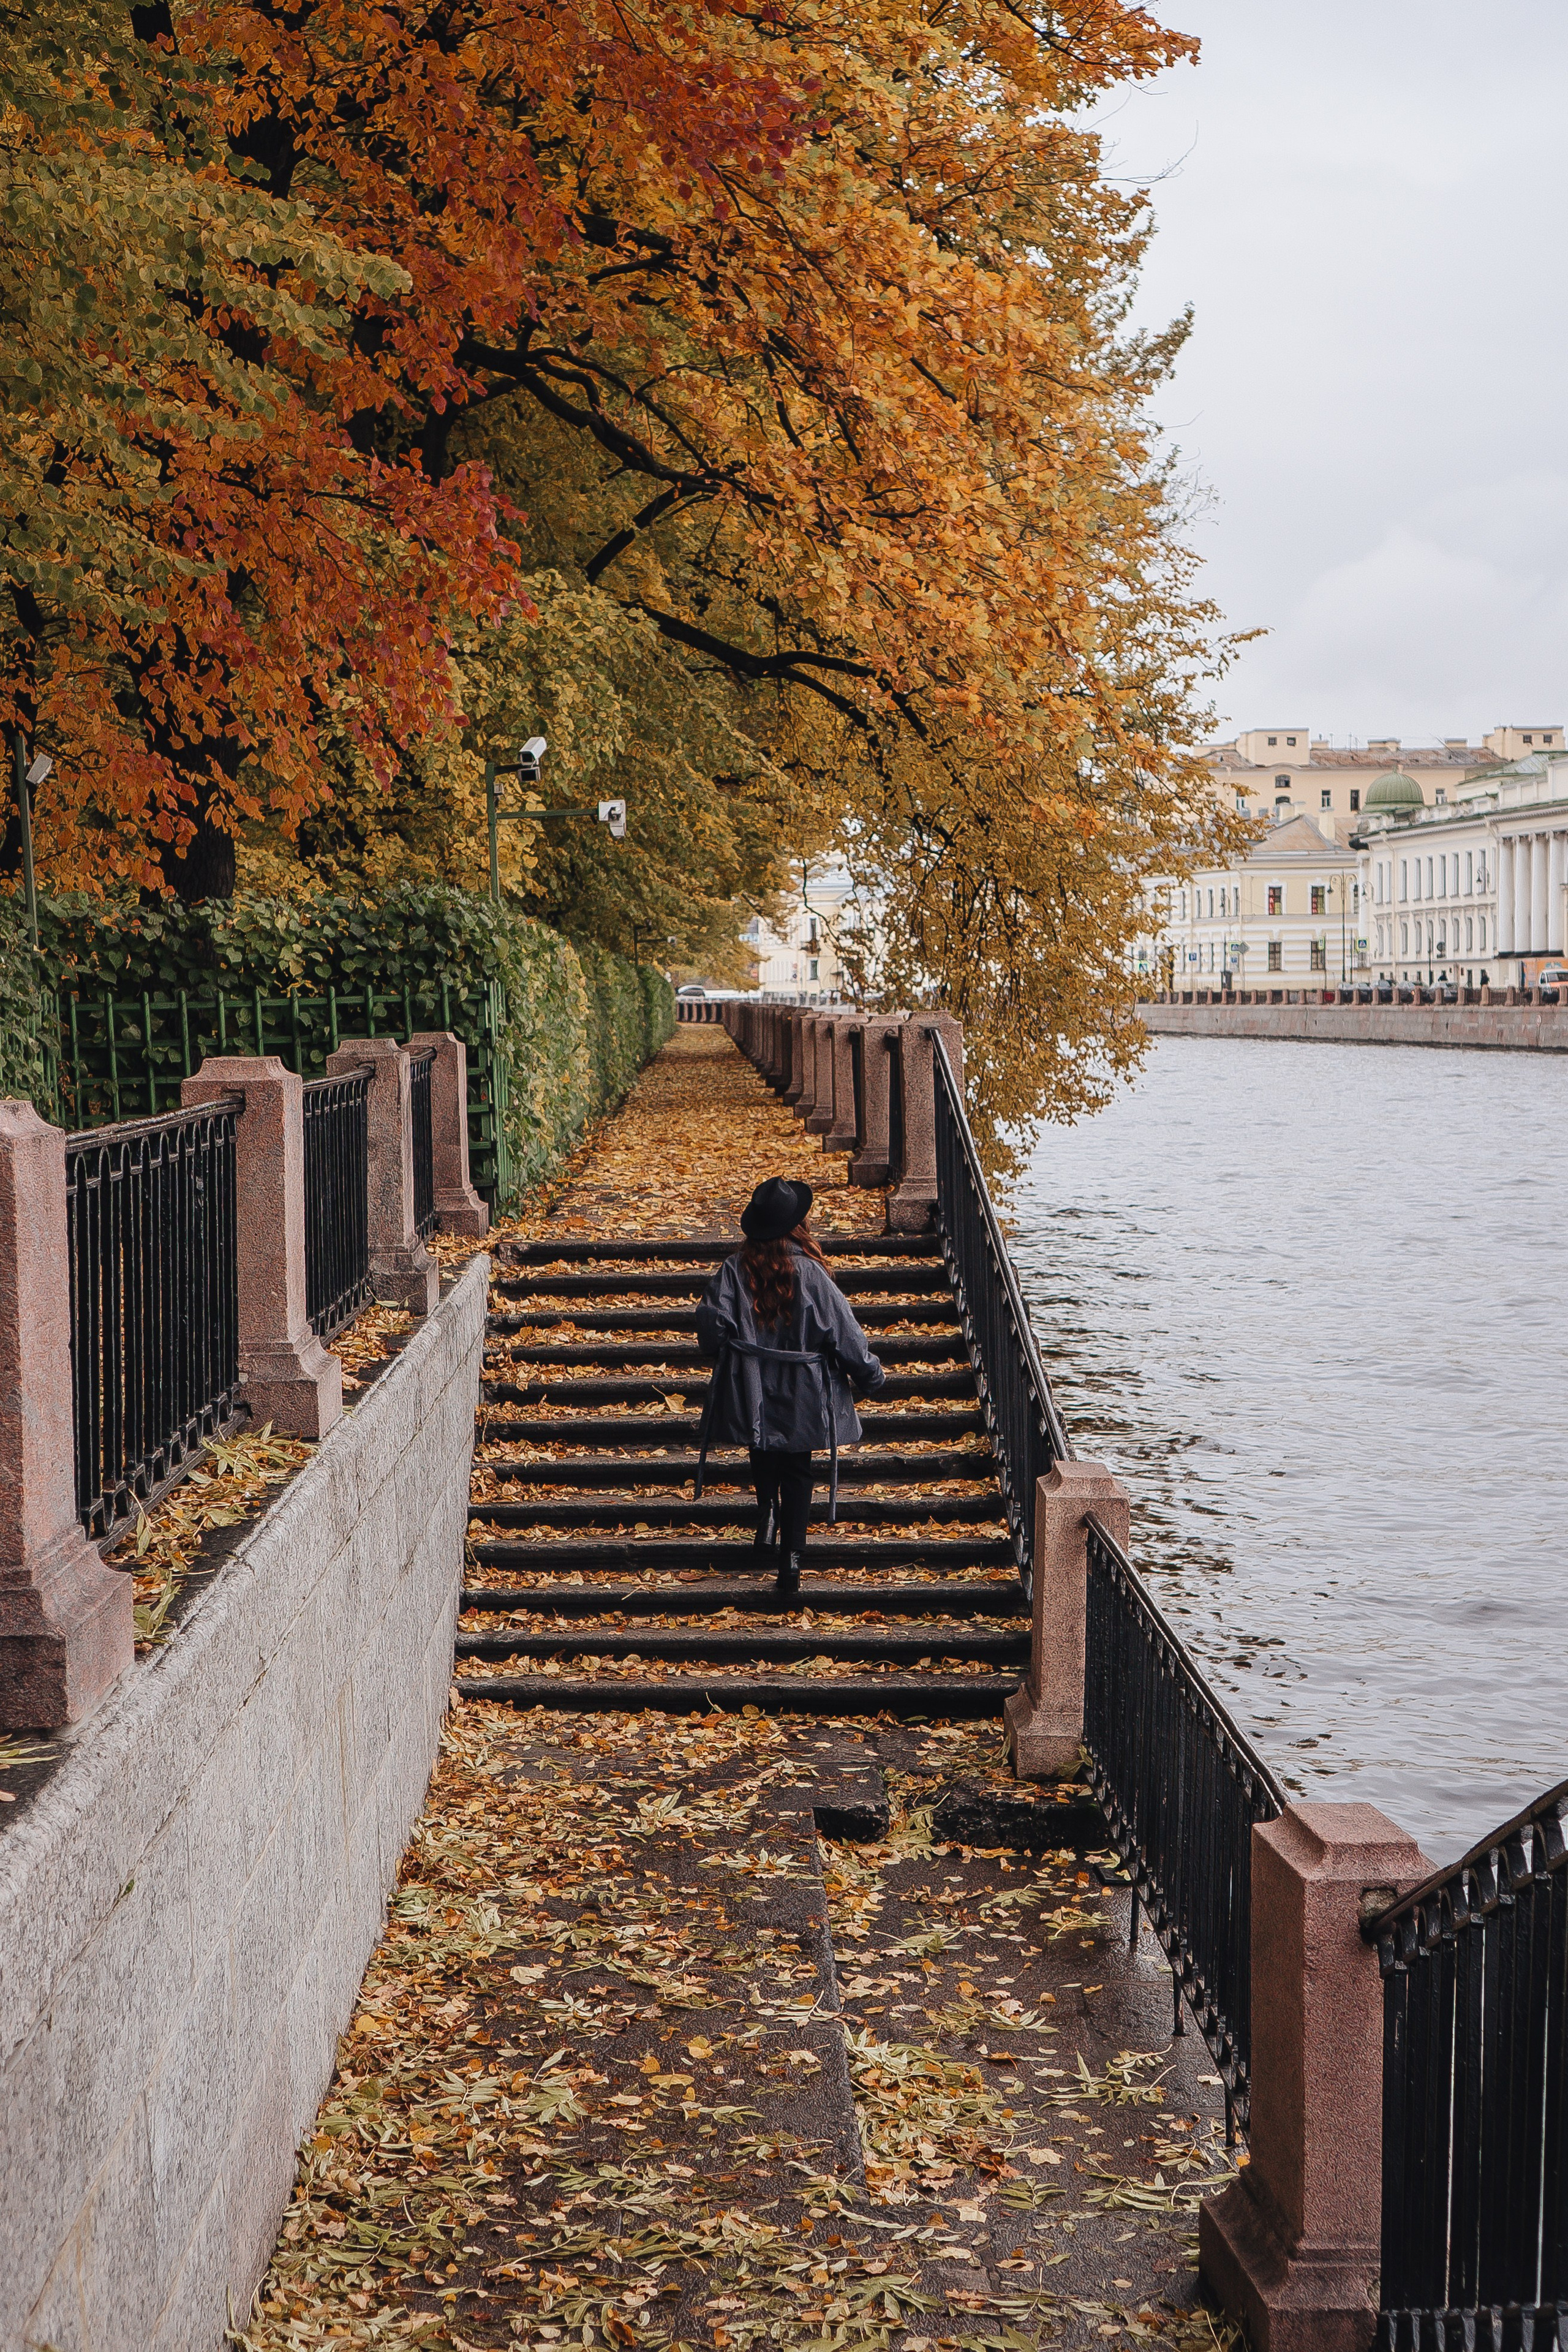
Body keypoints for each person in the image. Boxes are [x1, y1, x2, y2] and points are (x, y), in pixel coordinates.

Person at [693, 1177, 886, 1597]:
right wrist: (871, 1375)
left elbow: (709, 1328)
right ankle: (792, 1560)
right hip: (805, 1388)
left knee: (762, 1448)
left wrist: (732, 1348)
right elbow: (847, 1335)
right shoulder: (813, 1275)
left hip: (752, 1386)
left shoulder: (733, 1270)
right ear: (798, 1227)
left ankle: (767, 1513)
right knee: (798, 1467)